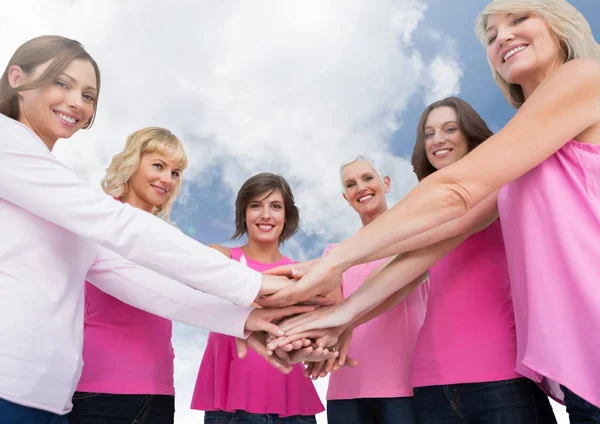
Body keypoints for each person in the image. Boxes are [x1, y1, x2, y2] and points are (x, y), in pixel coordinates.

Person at [266, 0, 600, 421]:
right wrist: (340, 315)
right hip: (579, 357)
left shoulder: (585, 76)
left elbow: (457, 191)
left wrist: (334, 263)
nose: (503, 38)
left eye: (519, 19)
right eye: (491, 36)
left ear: (559, 26)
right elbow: (430, 246)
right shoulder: (521, 160)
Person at [0, 35, 302, 423]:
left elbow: (138, 283)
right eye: (62, 82)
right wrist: (254, 284)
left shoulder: (54, 185)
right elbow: (120, 225)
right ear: (17, 77)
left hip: (48, 399)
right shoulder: (7, 142)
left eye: (89, 95)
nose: (77, 102)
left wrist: (243, 321)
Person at [408, 97, 555, 423]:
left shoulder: (503, 188)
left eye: (449, 129)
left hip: (501, 375)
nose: (437, 140)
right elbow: (397, 272)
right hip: (430, 384)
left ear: (470, 134)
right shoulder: (423, 208)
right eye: (428, 134)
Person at [192, 173, 323, 424]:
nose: (266, 215)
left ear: (287, 216)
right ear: (243, 213)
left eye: (275, 206)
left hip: (294, 411)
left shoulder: (300, 273)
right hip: (231, 409)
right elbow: (202, 278)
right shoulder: (221, 257)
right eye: (256, 205)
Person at [323, 156, 427, 424]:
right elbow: (328, 313)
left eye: (368, 178)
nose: (360, 187)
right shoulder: (334, 254)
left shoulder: (419, 237)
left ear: (386, 184)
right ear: (346, 198)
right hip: (345, 392)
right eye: (351, 184)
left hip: (407, 388)